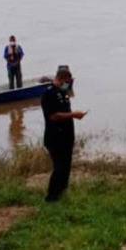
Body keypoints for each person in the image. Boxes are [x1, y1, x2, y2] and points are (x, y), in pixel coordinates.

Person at [41, 66, 88, 202]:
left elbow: (65, 111)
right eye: (67, 81)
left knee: (66, 166)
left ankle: (62, 193)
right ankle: (51, 198)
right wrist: (74, 115)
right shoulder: (49, 94)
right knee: (59, 167)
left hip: (67, 137)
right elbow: (53, 116)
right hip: (55, 137)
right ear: (61, 79)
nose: (68, 84)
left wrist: (73, 115)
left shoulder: (63, 93)